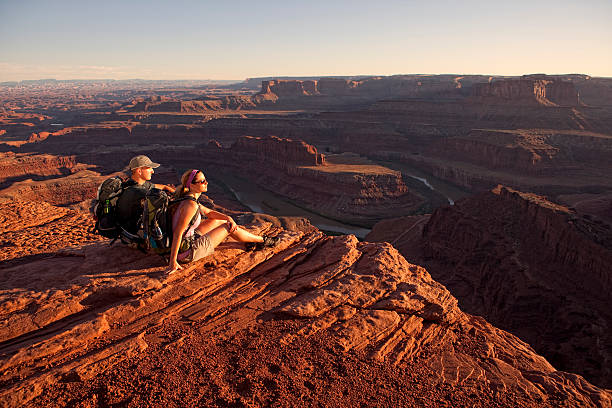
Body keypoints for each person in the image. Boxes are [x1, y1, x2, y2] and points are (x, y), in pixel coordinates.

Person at [166, 169, 278, 274]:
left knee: (219, 220)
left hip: (188, 241)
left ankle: (250, 239)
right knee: (228, 227)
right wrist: (173, 262)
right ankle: (262, 240)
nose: (206, 183)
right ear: (192, 185)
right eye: (202, 181)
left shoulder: (188, 198)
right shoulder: (190, 205)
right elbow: (177, 233)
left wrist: (229, 217)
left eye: (205, 180)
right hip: (186, 253)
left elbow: (208, 212)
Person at [116, 155, 176, 235]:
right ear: (139, 171)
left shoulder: (140, 184)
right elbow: (161, 199)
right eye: (149, 168)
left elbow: (162, 186)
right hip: (134, 233)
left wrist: (174, 192)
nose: (153, 171)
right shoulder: (137, 191)